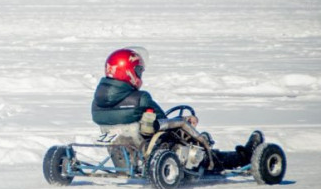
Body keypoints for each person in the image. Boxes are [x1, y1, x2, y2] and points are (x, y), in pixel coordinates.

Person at [91, 47, 262, 170]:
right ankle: (244, 156)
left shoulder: (97, 103)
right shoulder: (141, 98)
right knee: (203, 151)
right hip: (154, 153)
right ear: (128, 72)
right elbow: (162, 120)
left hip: (125, 152)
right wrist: (185, 120)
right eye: (138, 71)